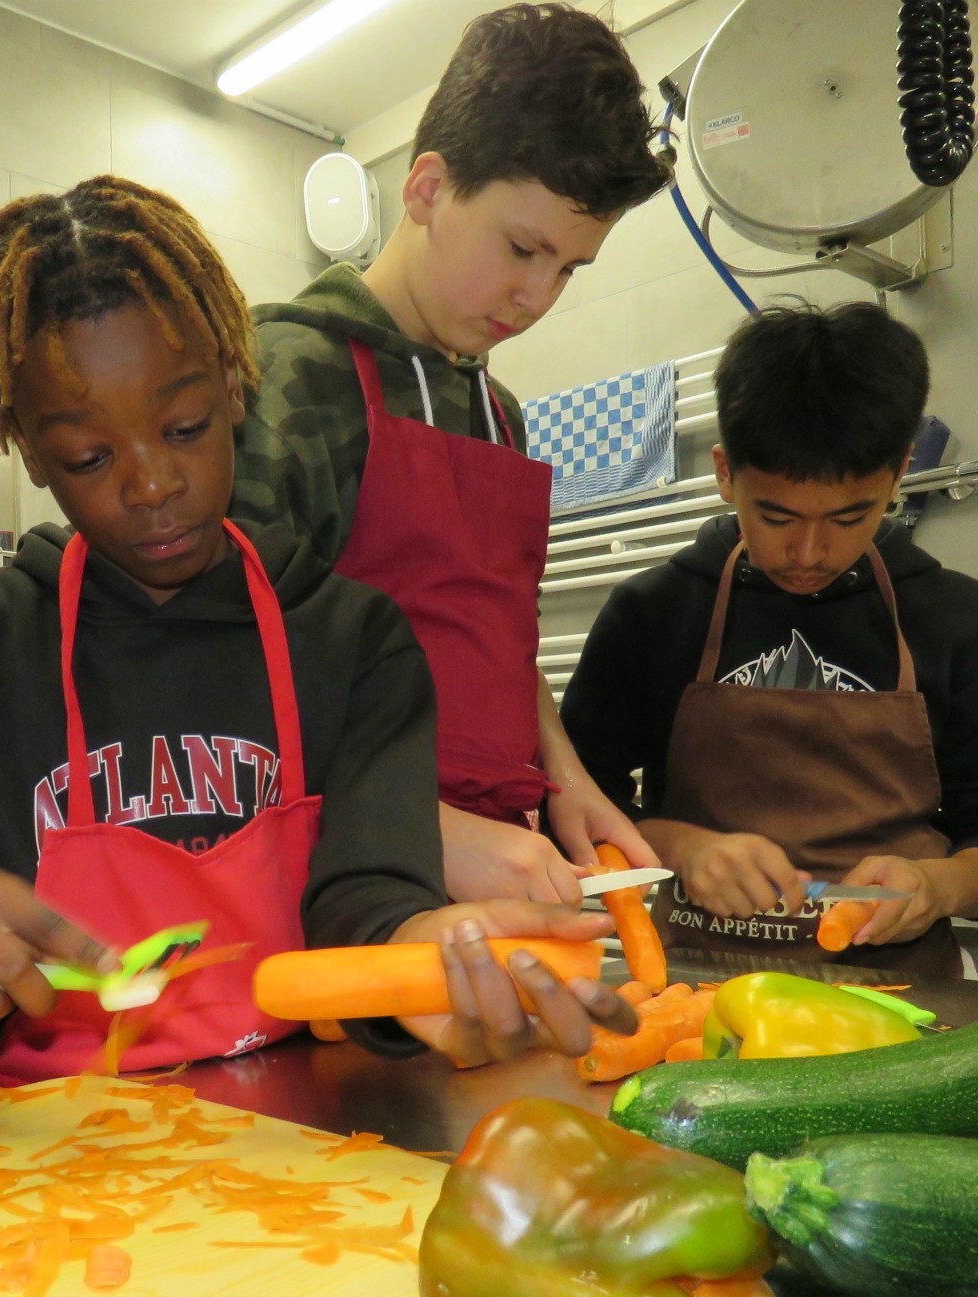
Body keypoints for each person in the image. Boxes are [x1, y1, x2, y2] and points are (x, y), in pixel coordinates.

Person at [0, 177, 634, 1083]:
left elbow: (368, 896)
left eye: (184, 426)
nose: (151, 484)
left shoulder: (349, 641)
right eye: (89, 457)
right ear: (28, 451)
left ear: (235, 388)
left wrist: (425, 952)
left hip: (283, 1138)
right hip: (39, 1156)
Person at [232, 3, 672, 906]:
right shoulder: (285, 375)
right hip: (339, 879)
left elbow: (499, 644)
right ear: (428, 189)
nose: (536, 297)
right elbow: (224, 678)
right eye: (522, 249)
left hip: (499, 858)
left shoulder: (498, 412)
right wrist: (413, 830)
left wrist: (568, 782)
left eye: (569, 270)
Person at [563, 303, 978, 976]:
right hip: (696, 985)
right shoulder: (656, 611)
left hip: (902, 992)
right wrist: (683, 847)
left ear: (900, 471)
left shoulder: (962, 619)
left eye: (851, 516)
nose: (809, 551)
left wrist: (940, 888)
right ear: (727, 472)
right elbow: (580, 807)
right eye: (776, 515)